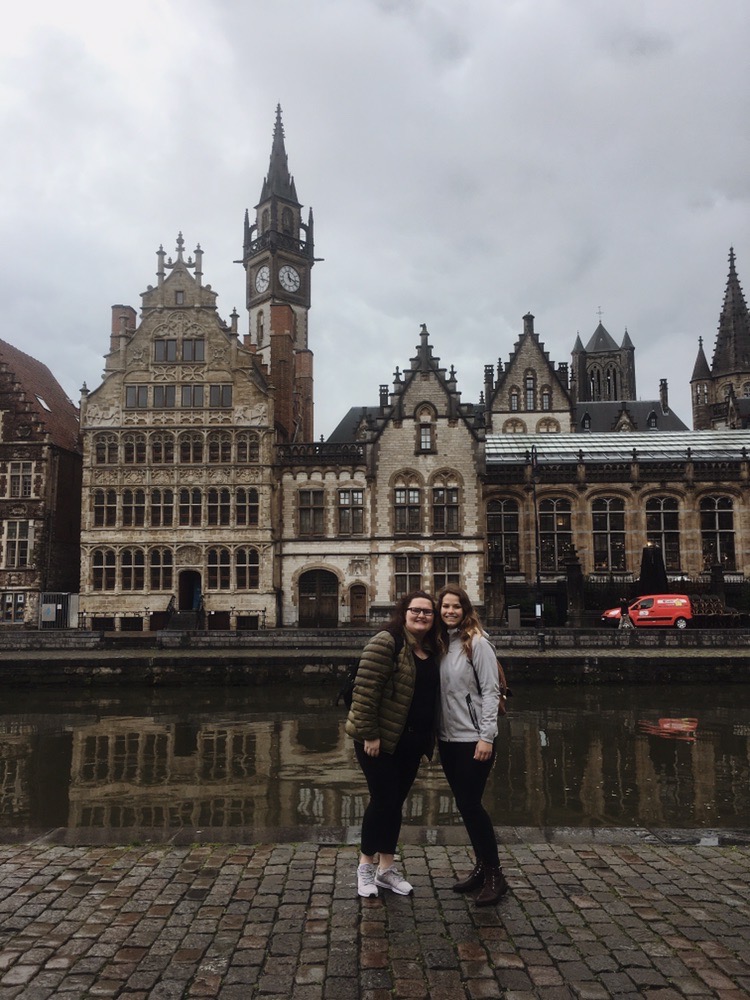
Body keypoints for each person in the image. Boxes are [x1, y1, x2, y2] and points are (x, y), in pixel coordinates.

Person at [345, 590, 439, 898]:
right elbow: (365, 690)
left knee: (394, 804)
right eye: (416, 610)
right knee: (382, 801)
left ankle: (386, 870)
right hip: (380, 740)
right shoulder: (387, 641)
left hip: (410, 742)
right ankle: (365, 867)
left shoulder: (431, 648)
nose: (421, 615)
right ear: (404, 611)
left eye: (427, 611)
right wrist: (370, 733)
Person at [436, 584, 508, 906]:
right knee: (465, 805)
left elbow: (492, 692)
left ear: (465, 610)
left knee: (471, 804)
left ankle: (495, 874)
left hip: (474, 739)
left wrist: (486, 737)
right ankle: (481, 866)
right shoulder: (441, 644)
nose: (450, 611)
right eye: (445, 606)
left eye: (456, 606)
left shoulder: (477, 643)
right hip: (448, 739)